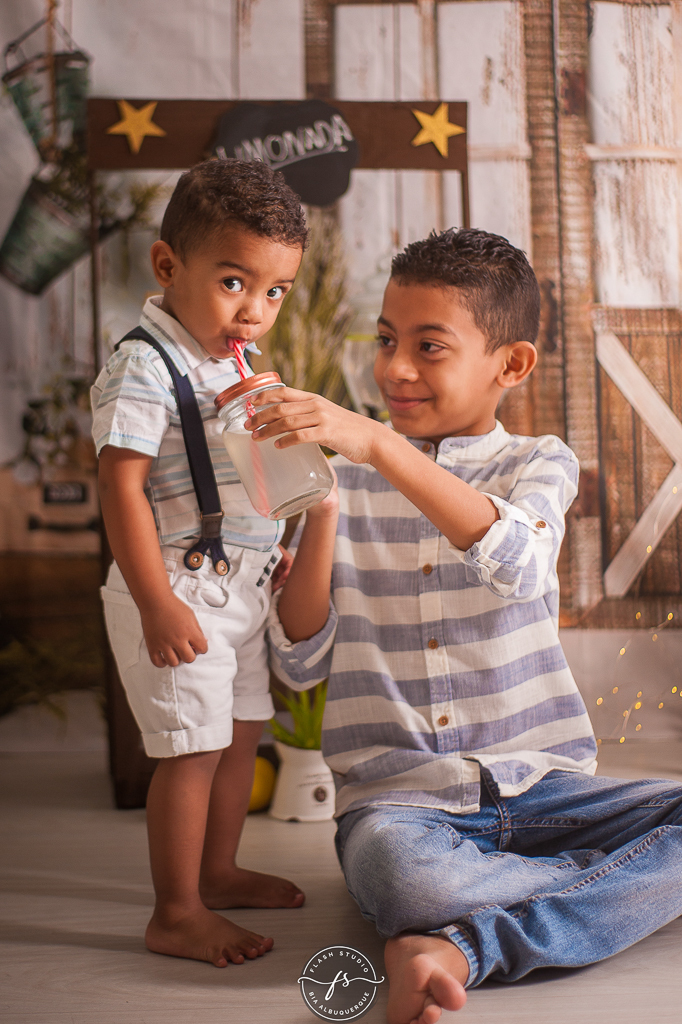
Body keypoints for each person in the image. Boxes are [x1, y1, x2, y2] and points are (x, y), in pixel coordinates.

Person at [254, 228, 682, 1024]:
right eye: (387, 340)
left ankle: (456, 948)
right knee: (413, 883)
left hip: (544, 788)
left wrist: (379, 446)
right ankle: (604, 884)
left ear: (510, 365)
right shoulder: (340, 470)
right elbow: (300, 662)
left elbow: (518, 566)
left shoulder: (537, 461)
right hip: (401, 806)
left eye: (428, 346)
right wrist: (324, 512)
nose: (395, 369)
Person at [91, 159, 307, 969]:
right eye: (232, 283)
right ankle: (175, 910)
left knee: (241, 730)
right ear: (168, 266)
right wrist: (155, 602)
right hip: (177, 584)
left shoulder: (234, 361)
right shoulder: (145, 365)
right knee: (190, 749)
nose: (254, 310)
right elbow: (121, 485)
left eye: (275, 291)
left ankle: (217, 869)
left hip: (240, 587)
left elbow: (247, 470)